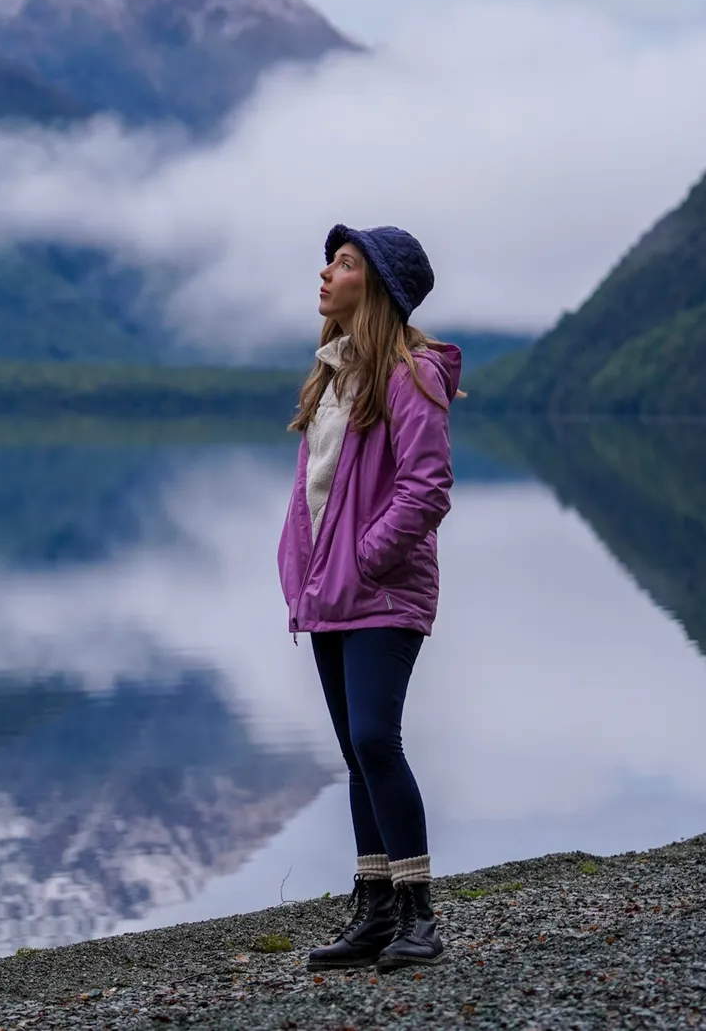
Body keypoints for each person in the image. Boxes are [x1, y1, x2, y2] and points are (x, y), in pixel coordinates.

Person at [278, 224, 461, 973]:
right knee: (358, 753)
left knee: (377, 740)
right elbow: (319, 489)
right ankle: (375, 910)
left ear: (377, 288)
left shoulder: (410, 374)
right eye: (331, 261)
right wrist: (307, 566)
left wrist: (364, 558)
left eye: (346, 264)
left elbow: (426, 488)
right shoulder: (332, 374)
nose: (327, 272)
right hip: (329, 592)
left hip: (380, 592)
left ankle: (419, 916)